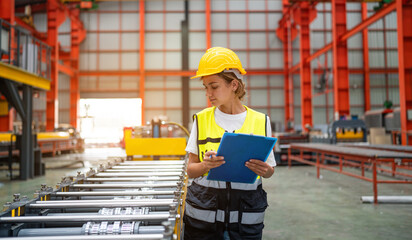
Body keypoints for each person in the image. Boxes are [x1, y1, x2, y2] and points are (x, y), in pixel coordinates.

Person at [183, 47, 276, 240]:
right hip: (204, 222)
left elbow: (269, 171)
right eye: (205, 87)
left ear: (233, 84)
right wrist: (205, 165)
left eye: (214, 86)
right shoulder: (201, 120)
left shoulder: (261, 121)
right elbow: (190, 170)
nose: (208, 93)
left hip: (244, 222)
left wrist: (263, 170)